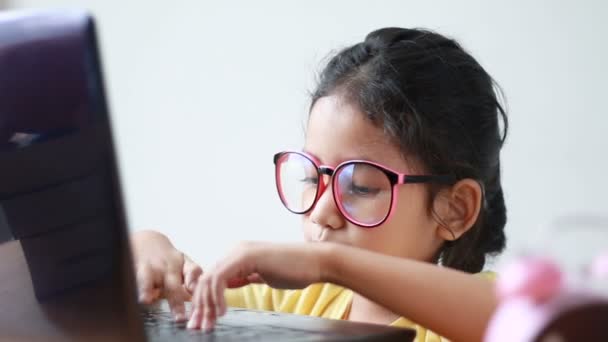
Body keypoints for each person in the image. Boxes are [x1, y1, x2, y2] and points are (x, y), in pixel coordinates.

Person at [131, 27, 508, 342]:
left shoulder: (474, 317)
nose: (321, 212)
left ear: (454, 209)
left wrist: (329, 262)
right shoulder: (300, 307)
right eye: (312, 177)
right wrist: (148, 248)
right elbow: (167, 306)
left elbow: (528, 322)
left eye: (360, 187)